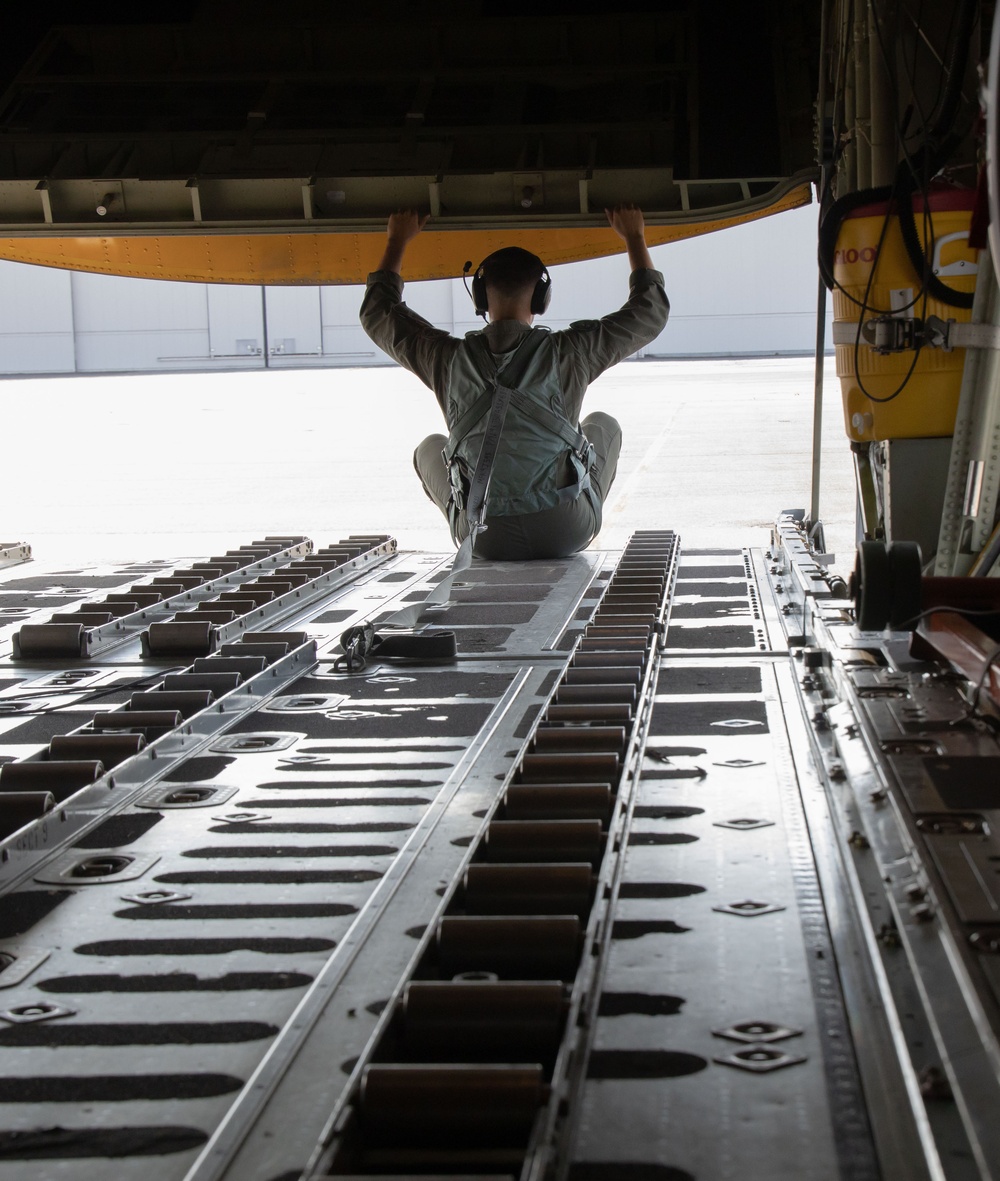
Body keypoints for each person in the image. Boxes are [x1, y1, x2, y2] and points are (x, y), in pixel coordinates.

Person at [359, 205, 668, 560]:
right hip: (565, 530)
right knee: (602, 424)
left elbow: (377, 313)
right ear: (541, 298)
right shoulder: (571, 351)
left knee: (430, 446)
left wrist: (397, 239)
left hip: (482, 537)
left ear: (479, 296)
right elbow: (649, 311)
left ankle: (470, 513)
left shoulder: (443, 358)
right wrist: (634, 236)